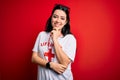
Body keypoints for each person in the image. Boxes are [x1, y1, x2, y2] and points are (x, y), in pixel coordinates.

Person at [31, 4, 76, 80]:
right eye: (55, 16)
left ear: (66, 22)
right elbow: (34, 58)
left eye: (62, 18)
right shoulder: (42, 35)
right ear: (51, 17)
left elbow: (64, 63)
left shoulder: (70, 39)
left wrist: (55, 39)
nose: (58, 21)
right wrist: (50, 65)